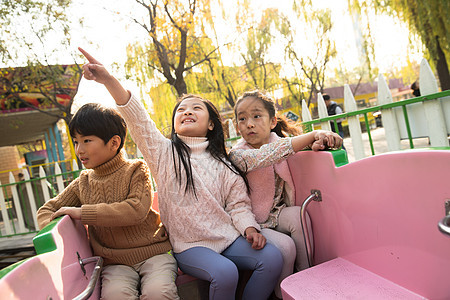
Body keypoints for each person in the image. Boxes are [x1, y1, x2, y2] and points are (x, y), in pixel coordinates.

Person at [78, 47, 283, 300]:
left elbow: (238, 205)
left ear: (211, 123)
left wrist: (250, 229)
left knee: (273, 258)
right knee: (226, 272)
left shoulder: (225, 163)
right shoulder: (163, 153)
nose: (187, 111)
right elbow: (137, 117)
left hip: (228, 237)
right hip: (190, 246)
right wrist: (108, 79)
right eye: (181, 110)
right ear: (175, 123)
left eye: (196, 108)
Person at [36, 103, 178, 300]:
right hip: (113, 263)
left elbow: (135, 210)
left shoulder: (136, 169)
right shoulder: (83, 182)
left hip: (154, 254)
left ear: (113, 143)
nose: (79, 150)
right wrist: (58, 234)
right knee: (116, 296)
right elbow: (47, 209)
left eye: (87, 140)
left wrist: (82, 213)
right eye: (76, 142)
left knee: (158, 293)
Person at [229, 90, 342, 299]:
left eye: (256, 116)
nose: (249, 124)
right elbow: (269, 154)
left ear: (272, 122)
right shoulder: (238, 154)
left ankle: (306, 274)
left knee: (300, 215)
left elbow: (291, 147)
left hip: (275, 213)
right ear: (237, 127)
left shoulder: (276, 140)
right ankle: (283, 293)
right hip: (251, 221)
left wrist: (317, 143)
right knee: (286, 247)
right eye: (242, 119)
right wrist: (312, 134)